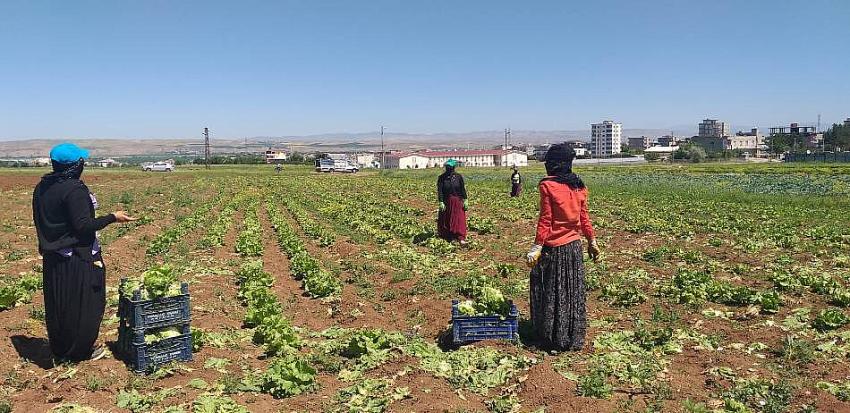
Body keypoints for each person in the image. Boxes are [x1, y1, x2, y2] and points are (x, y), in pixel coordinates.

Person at [32, 143, 136, 362]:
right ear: (74, 165)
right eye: (81, 161)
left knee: (60, 304)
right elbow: (83, 226)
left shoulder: (42, 187)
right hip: (77, 257)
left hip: (54, 257)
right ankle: (80, 351)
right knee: (87, 303)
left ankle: (61, 349)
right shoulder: (74, 189)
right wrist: (112, 217)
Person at [526, 143, 600, 351]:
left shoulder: (548, 186)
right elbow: (584, 218)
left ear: (554, 164)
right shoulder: (579, 186)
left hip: (554, 249)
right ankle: (570, 336)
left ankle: (551, 336)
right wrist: (592, 241)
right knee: (571, 291)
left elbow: (546, 219)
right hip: (574, 249)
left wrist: (537, 246)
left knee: (550, 290)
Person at [437, 159, 468, 245]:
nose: (449, 168)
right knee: (447, 218)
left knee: (459, 219)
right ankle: (450, 236)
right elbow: (440, 191)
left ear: (453, 167)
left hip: (458, 201)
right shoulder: (442, 178)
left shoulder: (458, 177)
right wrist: (441, 202)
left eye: (450, 167)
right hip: (447, 201)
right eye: (447, 167)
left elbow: (462, 189)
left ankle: (460, 237)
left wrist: (465, 199)